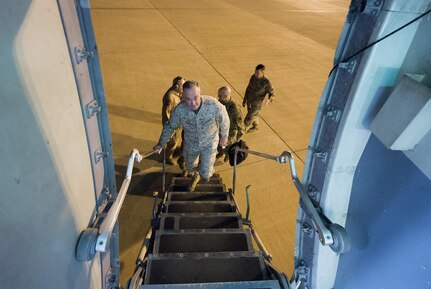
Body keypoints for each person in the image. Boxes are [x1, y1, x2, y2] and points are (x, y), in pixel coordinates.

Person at [154, 80, 230, 191]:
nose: (193, 103)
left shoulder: (212, 104)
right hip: (191, 143)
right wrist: (161, 143)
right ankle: (195, 176)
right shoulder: (179, 110)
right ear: (183, 96)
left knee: (207, 172)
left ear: (200, 93)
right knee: (189, 167)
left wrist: (224, 135)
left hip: (209, 143)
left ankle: (204, 173)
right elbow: (170, 126)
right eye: (187, 99)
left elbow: (224, 118)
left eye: (196, 97)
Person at [242, 64, 275, 132]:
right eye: (255, 72)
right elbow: (248, 88)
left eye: (258, 73)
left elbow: (272, 94)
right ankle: (256, 126)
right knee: (254, 115)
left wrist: (268, 100)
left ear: (263, 72)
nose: (255, 74)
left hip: (257, 104)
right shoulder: (253, 77)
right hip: (250, 100)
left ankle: (242, 131)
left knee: (249, 117)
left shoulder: (266, 82)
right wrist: (245, 99)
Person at [217, 86, 245, 162]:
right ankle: (221, 153)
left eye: (220, 96)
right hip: (220, 131)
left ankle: (227, 155)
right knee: (220, 146)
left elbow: (241, 126)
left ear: (226, 96)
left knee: (227, 147)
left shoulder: (235, 109)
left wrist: (237, 139)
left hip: (229, 135)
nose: (218, 98)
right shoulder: (220, 103)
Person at [162, 76, 185, 165]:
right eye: (183, 85)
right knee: (172, 142)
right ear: (176, 87)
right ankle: (168, 157)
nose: (184, 87)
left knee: (177, 139)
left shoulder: (176, 93)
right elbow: (166, 114)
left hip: (178, 123)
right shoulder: (170, 98)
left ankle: (173, 150)